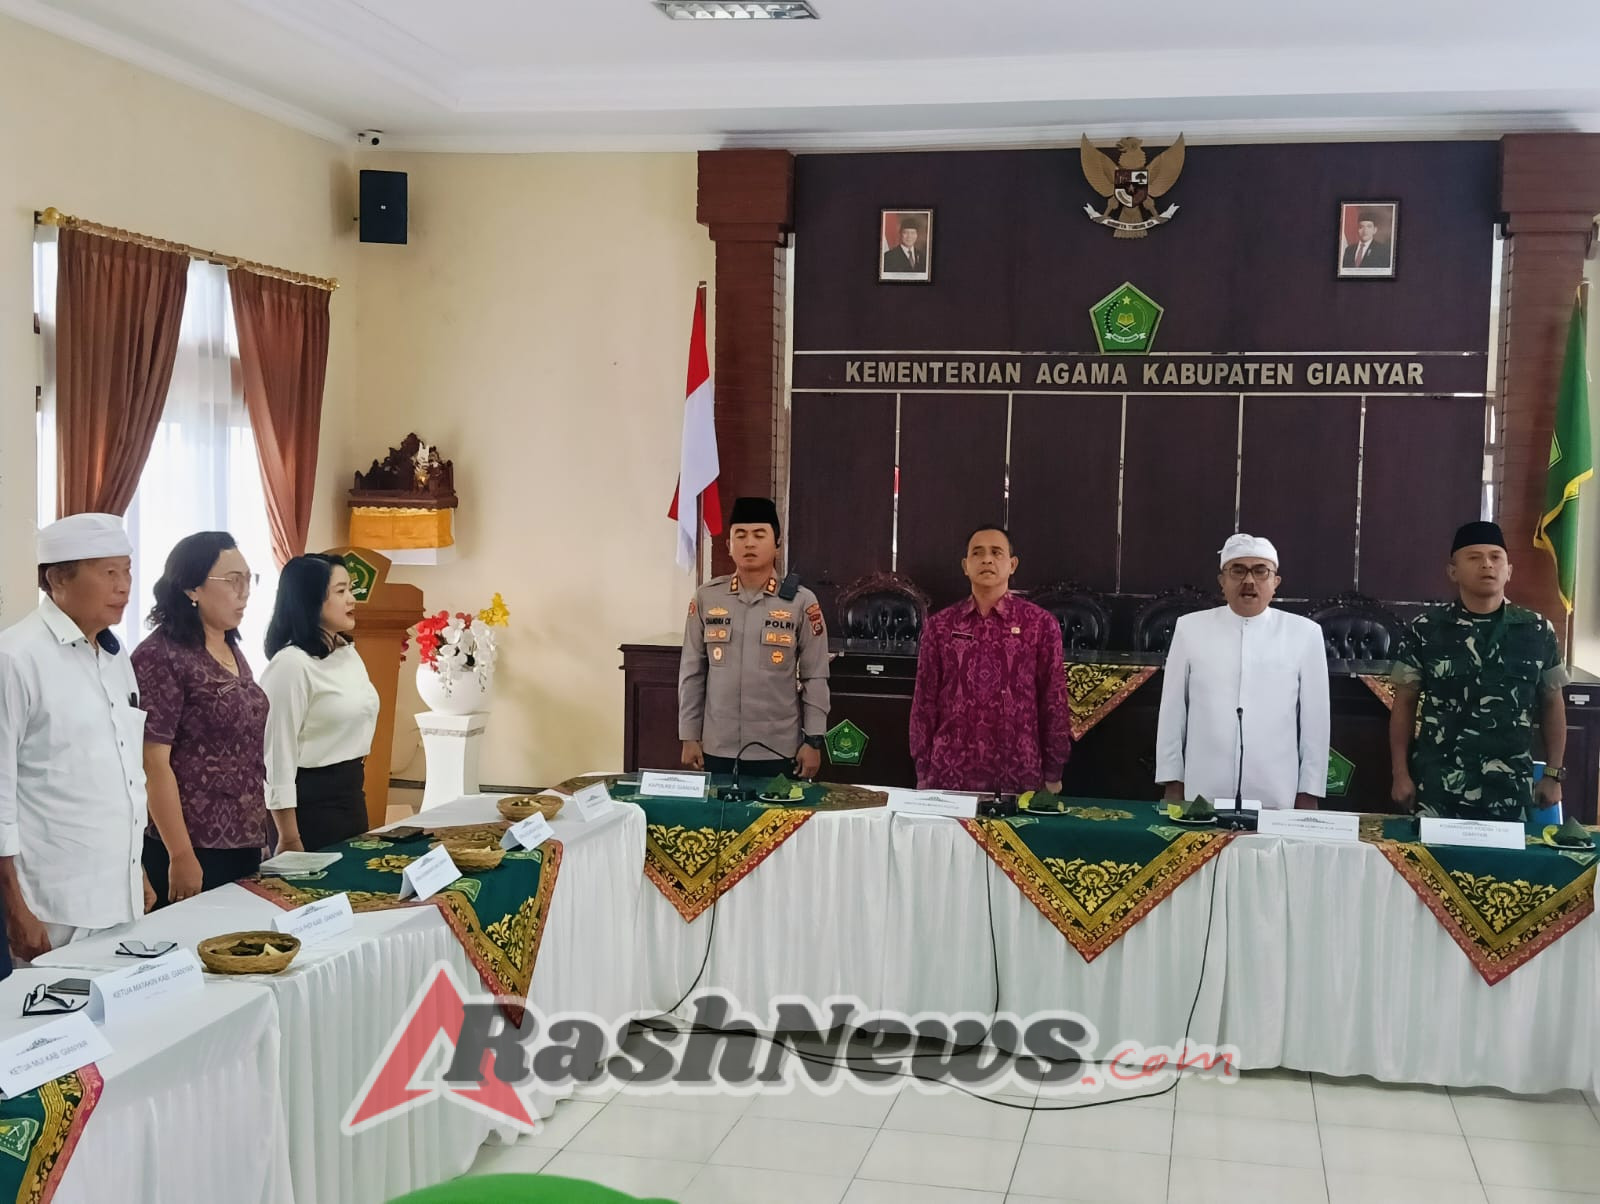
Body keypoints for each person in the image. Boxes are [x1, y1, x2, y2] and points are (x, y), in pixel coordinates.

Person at [0, 513, 155, 960]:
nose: (124, 585)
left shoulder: (114, 654)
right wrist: (15, 909)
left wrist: (137, 868)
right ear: (57, 578)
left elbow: (122, 775)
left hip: (120, 897)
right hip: (52, 904)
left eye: (127, 570)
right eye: (109, 573)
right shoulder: (16, 659)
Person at [1390, 521, 1567, 820]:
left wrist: (1553, 774)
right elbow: (1404, 704)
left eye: (1495, 557)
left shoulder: (1537, 630)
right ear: (1453, 571)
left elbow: (1553, 704)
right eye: (1474, 557)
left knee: (1506, 869)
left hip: (1509, 789)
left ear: (1509, 570)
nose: (1487, 564)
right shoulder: (1426, 629)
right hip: (1439, 787)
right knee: (1431, 866)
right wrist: (1400, 773)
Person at [133, 532, 270, 906]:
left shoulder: (231, 646)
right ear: (192, 588)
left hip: (245, 837)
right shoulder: (161, 656)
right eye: (233, 581)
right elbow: (152, 762)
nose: (244, 592)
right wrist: (180, 854)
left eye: (249, 579)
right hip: (191, 845)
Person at [1156, 534, 1330, 810]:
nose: (1249, 581)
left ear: (1276, 582)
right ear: (1222, 581)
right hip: (1203, 788)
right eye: (1238, 570)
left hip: (1276, 790)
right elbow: (1173, 711)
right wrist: (1172, 781)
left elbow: (1316, 724)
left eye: (1261, 571)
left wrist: (1309, 790)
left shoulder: (1304, 634)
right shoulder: (1190, 629)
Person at [909, 525, 1072, 794]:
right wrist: (923, 769)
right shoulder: (940, 626)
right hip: (948, 774)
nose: (987, 559)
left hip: (1020, 773)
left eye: (996, 553)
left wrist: (1054, 771)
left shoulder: (1040, 625)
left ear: (1012, 564)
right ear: (965, 565)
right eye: (978, 553)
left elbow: (1053, 702)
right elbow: (923, 703)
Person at [679, 497, 830, 782]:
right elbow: (692, 672)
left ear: (777, 544)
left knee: (779, 826)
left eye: (759, 535)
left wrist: (814, 741)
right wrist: (688, 735)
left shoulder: (801, 602)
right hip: (717, 746)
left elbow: (815, 676)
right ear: (729, 545)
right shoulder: (707, 598)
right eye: (741, 535)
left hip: (778, 749)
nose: (749, 543)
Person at [260, 554, 380, 851]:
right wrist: (288, 834)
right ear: (310, 600)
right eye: (341, 592)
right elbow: (277, 754)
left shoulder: (346, 652)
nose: (352, 599)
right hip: (308, 807)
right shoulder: (291, 665)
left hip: (351, 792)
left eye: (350, 589)